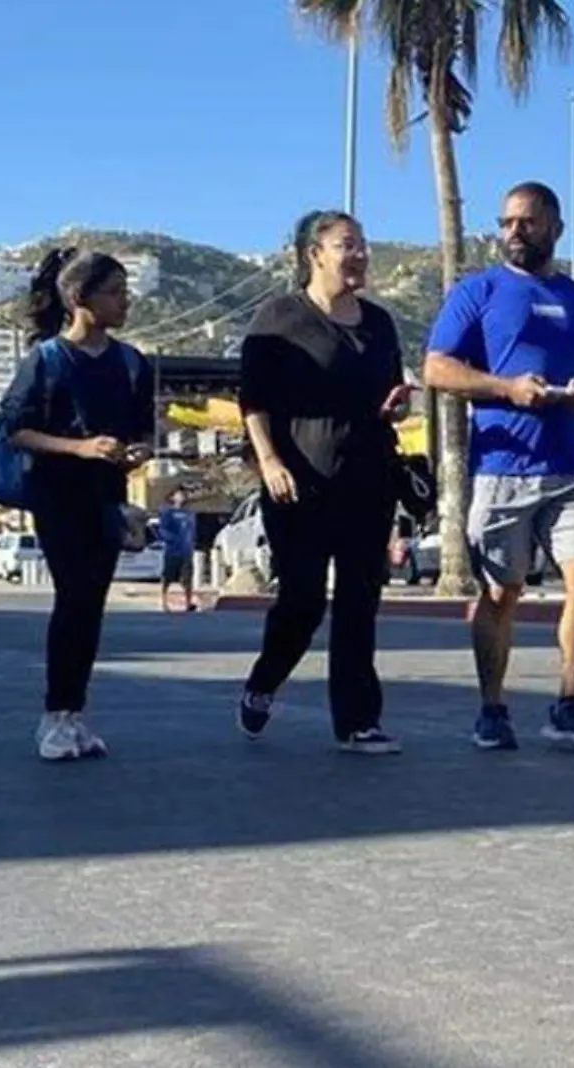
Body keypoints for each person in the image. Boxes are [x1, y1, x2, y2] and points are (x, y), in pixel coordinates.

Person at [422, 180, 574, 754]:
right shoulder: (478, 291)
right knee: (500, 594)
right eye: (507, 222)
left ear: (555, 229)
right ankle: (492, 709)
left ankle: (569, 705)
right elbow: (437, 368)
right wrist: (506, 388)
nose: (515, 231)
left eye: (528, 222)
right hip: (502, 468)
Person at [235, 210, 414, 755]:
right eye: (346, 245)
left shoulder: (379, 323)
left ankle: (358, 720)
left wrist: (397, 406)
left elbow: (388, 392)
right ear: (315, 253)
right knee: (303, 601)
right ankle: (264, 682)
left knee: (360, 601)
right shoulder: (279, 317)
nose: (359, 255)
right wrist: (269, 462)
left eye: (362, 244)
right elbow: (253, 399)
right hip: (299, 485)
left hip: (368, 482)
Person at [0, 247, 156, 761]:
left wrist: (136, 453)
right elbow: (17, 431)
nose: (124, 302)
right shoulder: (45, 360)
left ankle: (74, 715)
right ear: (78, 300)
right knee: (73, 600)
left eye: (125, 291)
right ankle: (54, 716)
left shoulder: (132, 362)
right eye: (114, 292)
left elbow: (142, 430)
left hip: (105, 498)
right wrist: (80, 448)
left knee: (91, 606)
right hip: (57, 496)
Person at [157, 486, 197, 613]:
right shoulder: (168, 513)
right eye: (179, 494)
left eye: (184, 495)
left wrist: (192, 543)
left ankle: (188, 603)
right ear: (173, 497)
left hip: (186, 551)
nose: (182, 497)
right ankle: (163, 602)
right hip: (172, 550)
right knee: (167, 577)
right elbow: (162, 530)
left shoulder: (190, 514)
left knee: (187, 578)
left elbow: (192, 531)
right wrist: (171, 539)